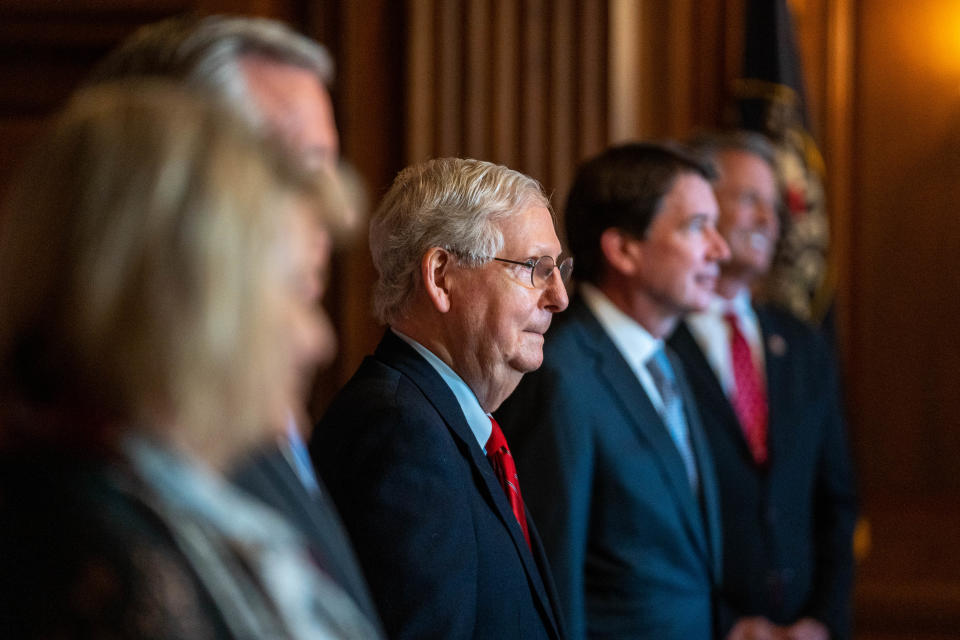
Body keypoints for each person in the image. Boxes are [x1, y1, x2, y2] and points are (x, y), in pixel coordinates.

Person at [0, 82, 379, 639]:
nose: (318, 340)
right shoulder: (87, 560)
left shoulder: (156, 500)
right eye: (298, 291)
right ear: (186, 304)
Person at [88, 15, 380, 628]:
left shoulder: (253, 408)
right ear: (167, 180)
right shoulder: (93, 476)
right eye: (292, 173)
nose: (325, 214)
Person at [310, 157, 570, 640]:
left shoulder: (439, 421)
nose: (559, 297)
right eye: (536, 268)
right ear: (441, 276)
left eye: (559, 270)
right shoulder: (400, 435)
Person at [496, 142, 730, 639]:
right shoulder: (562, 376)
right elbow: (554, 581)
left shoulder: (670, 361)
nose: (720, 249)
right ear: (623, 248)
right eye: (696, 227)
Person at [667, 131, 857, 640]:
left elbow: (837, 501)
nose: (769, 221)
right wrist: (725, 626)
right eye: (750, 199)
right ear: (701, 207)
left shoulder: (803, 345)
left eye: (773, 206)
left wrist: (823, 621)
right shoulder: (658, 344)